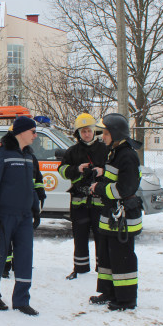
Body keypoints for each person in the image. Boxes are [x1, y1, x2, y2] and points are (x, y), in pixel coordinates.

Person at [0, 116, 41, 316]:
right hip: (5, 215)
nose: (35, 135)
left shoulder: (28, 155)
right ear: (21, 132)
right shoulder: (0, 152)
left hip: (24, 216)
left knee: (25, 256)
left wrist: (35, 208)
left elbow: (30, 185)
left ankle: (22, 300)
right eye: (33, 131)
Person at [88, 113, 142, 311]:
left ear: (115, 133)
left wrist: (99, 189)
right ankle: (109, 292)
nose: (103, 136)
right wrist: (102, 175)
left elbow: (125, 188)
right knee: (107, 256)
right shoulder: (116, 152)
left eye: (106, 133)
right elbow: (114, 177)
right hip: (112, 215)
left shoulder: (127, 155)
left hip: (123, 219)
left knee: (122, 259)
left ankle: (126, 299)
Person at [57, 113, 108, 280]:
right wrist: (78, 169)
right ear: (78, 133)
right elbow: (62, 170)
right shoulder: (72, 151)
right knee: (80, 236)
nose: (87, 134)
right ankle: (80, 268)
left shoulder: (105, 149)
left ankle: (103, 269)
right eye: (83, 131)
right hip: (79, 202)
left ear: (94, 131)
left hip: (100, 201)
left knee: (102, 236)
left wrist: (102, 172)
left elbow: (115, 171)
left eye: (89, 130)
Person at [2, 138, 45, 278]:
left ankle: (18, 265)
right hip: (9, 206)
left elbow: (37, 180)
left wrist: (39, 200)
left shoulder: (30, 157)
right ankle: (5, 266)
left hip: (26, 206)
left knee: (22, 241)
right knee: (7, 240)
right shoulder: (5, 156)